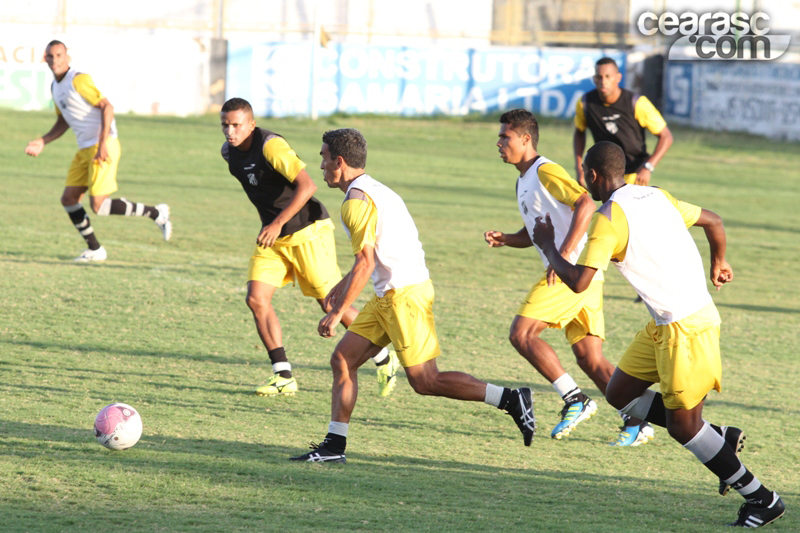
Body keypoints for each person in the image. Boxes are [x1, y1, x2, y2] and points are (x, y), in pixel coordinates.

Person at [532, 141, 785, 528]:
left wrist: (550, 245)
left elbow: (580, 282)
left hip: (687, 328)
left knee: (684, 427)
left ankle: (762, 498)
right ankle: (717, 438)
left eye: (585, 174)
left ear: (593, 175)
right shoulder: (655, 195)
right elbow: (714, 220)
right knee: (618, 393)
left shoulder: (607, 218)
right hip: (664, 325)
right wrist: (719, 261)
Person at [290, 128, 535, 463]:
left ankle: (510, 399)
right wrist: (339, 288)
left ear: (340, 161)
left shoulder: (356, 202)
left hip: (404, 295)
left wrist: (337, 312)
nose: (320, 164)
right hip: (389, 294)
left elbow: (366, 262)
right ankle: (334, 447)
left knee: (425, 380)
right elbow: (374, 256)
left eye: (323, 157)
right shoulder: (374, 190)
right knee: (343, 360)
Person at [485, 109, 652, 446]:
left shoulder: (544, 170)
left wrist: (562, 252)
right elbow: (536, 231)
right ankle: (638, 420)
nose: (499, 142)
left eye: (506, 137)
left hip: (571, 273)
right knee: (591, 359)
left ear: (525, 139)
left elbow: (585, 203)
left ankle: (574, 398)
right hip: (586, 273)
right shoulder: (523, 179)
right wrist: (507, 238)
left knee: (522, 333)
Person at [219, 98, 398, 398]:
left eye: (236, 125)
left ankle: (382, 357)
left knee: (330, 303)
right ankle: (283, 375)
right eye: (225, 124)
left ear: (251, 123)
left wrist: (276, 223)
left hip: (308, 231)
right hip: (274, 238)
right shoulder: (228, 153)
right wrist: (274, 227)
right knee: (256, 298)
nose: (229, 131)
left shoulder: (270, 146)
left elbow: (307, 186)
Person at [24, 40, 172, 262]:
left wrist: (102, 143)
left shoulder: (78, 80)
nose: (54, 60)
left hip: (103, 145)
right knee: (69, 199)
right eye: (50, 56)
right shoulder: (55, 87)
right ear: (45, 59)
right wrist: (43, 141)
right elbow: (63, 120)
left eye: (59, 55)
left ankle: (157, 213)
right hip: (84, 148)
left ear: (67, 57)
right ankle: (95, 250)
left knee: (99, 205)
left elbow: (107, 106)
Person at [573, 57, 673, 189]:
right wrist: (579, 168)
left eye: (608, 76)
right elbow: (579, 132)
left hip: (634, 174)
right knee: (608, 209)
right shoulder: (585, 103)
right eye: (599, 77)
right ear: (594, 79)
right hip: (605, 174)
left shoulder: (637, 103)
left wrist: (648, 167)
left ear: (618, 77)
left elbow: (666, 136)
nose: (603, 81)